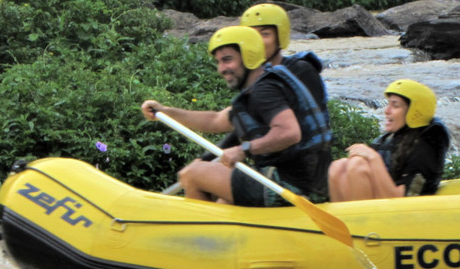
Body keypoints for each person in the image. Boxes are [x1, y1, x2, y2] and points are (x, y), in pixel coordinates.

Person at [141, 26, 331, 205]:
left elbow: (290, 133)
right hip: (303, 181)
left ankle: (198, 236)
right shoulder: (264, 86)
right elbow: (215, 120)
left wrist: (244, 149)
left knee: (192, 174)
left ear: (248, 56)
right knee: (223, 201)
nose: (221, 69)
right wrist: (165, 111)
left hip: (291, 185)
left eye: (227, 60)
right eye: (219, 62)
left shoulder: (265, 91)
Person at [328, 79, 450, 201]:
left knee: (357, 166)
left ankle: (359, 219)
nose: (386, 111)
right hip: (386, 205)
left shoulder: (426, 148)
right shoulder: (399, 138)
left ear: (414, 112)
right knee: (339, 166)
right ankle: (342, 218)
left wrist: (373, 158)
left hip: (406, 213)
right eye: (388, 104)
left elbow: (400, 202)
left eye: (395, 105)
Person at [239, 2, 329, 115]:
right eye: (251, 35)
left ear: (280, 37)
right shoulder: (250, 75)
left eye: (265, 34)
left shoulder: (301, 70)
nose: (257, 41)